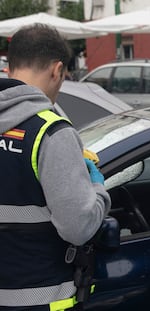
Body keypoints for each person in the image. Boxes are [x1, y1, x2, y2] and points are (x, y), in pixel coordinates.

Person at [0, 24, 111, 310]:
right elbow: (79, 227)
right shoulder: (50, 132)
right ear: (57, 70)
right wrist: (97, 187)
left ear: (10, 66)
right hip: (41, 298)